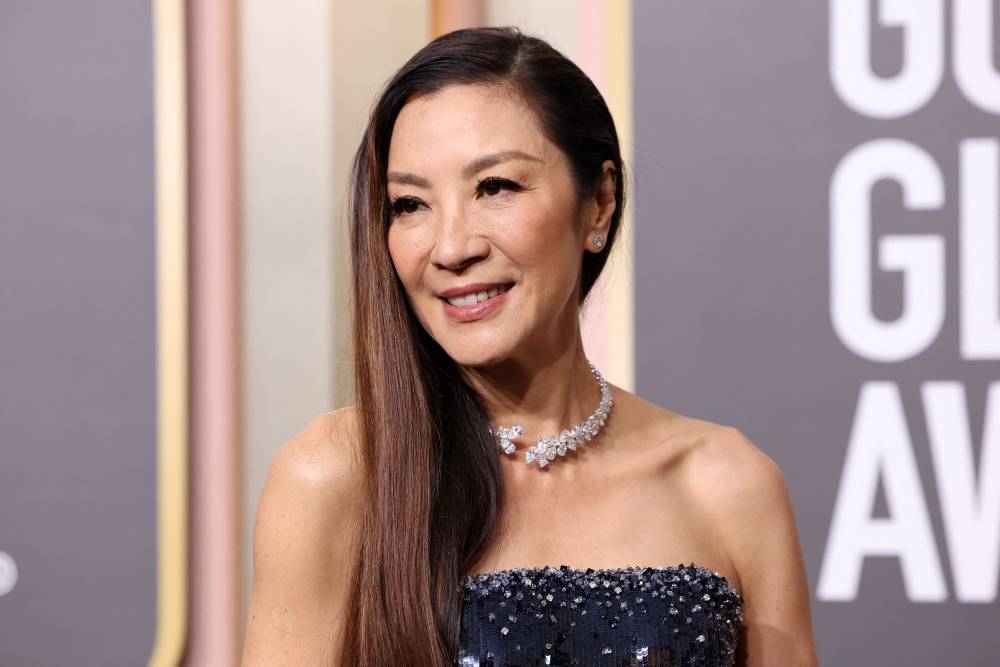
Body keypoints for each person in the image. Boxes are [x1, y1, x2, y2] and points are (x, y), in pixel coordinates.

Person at [241, 26, 819, 666]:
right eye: (409, 204)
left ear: (599, 203)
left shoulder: (730, 485)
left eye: (495, 187)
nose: (451, 247)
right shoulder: (337, 476)